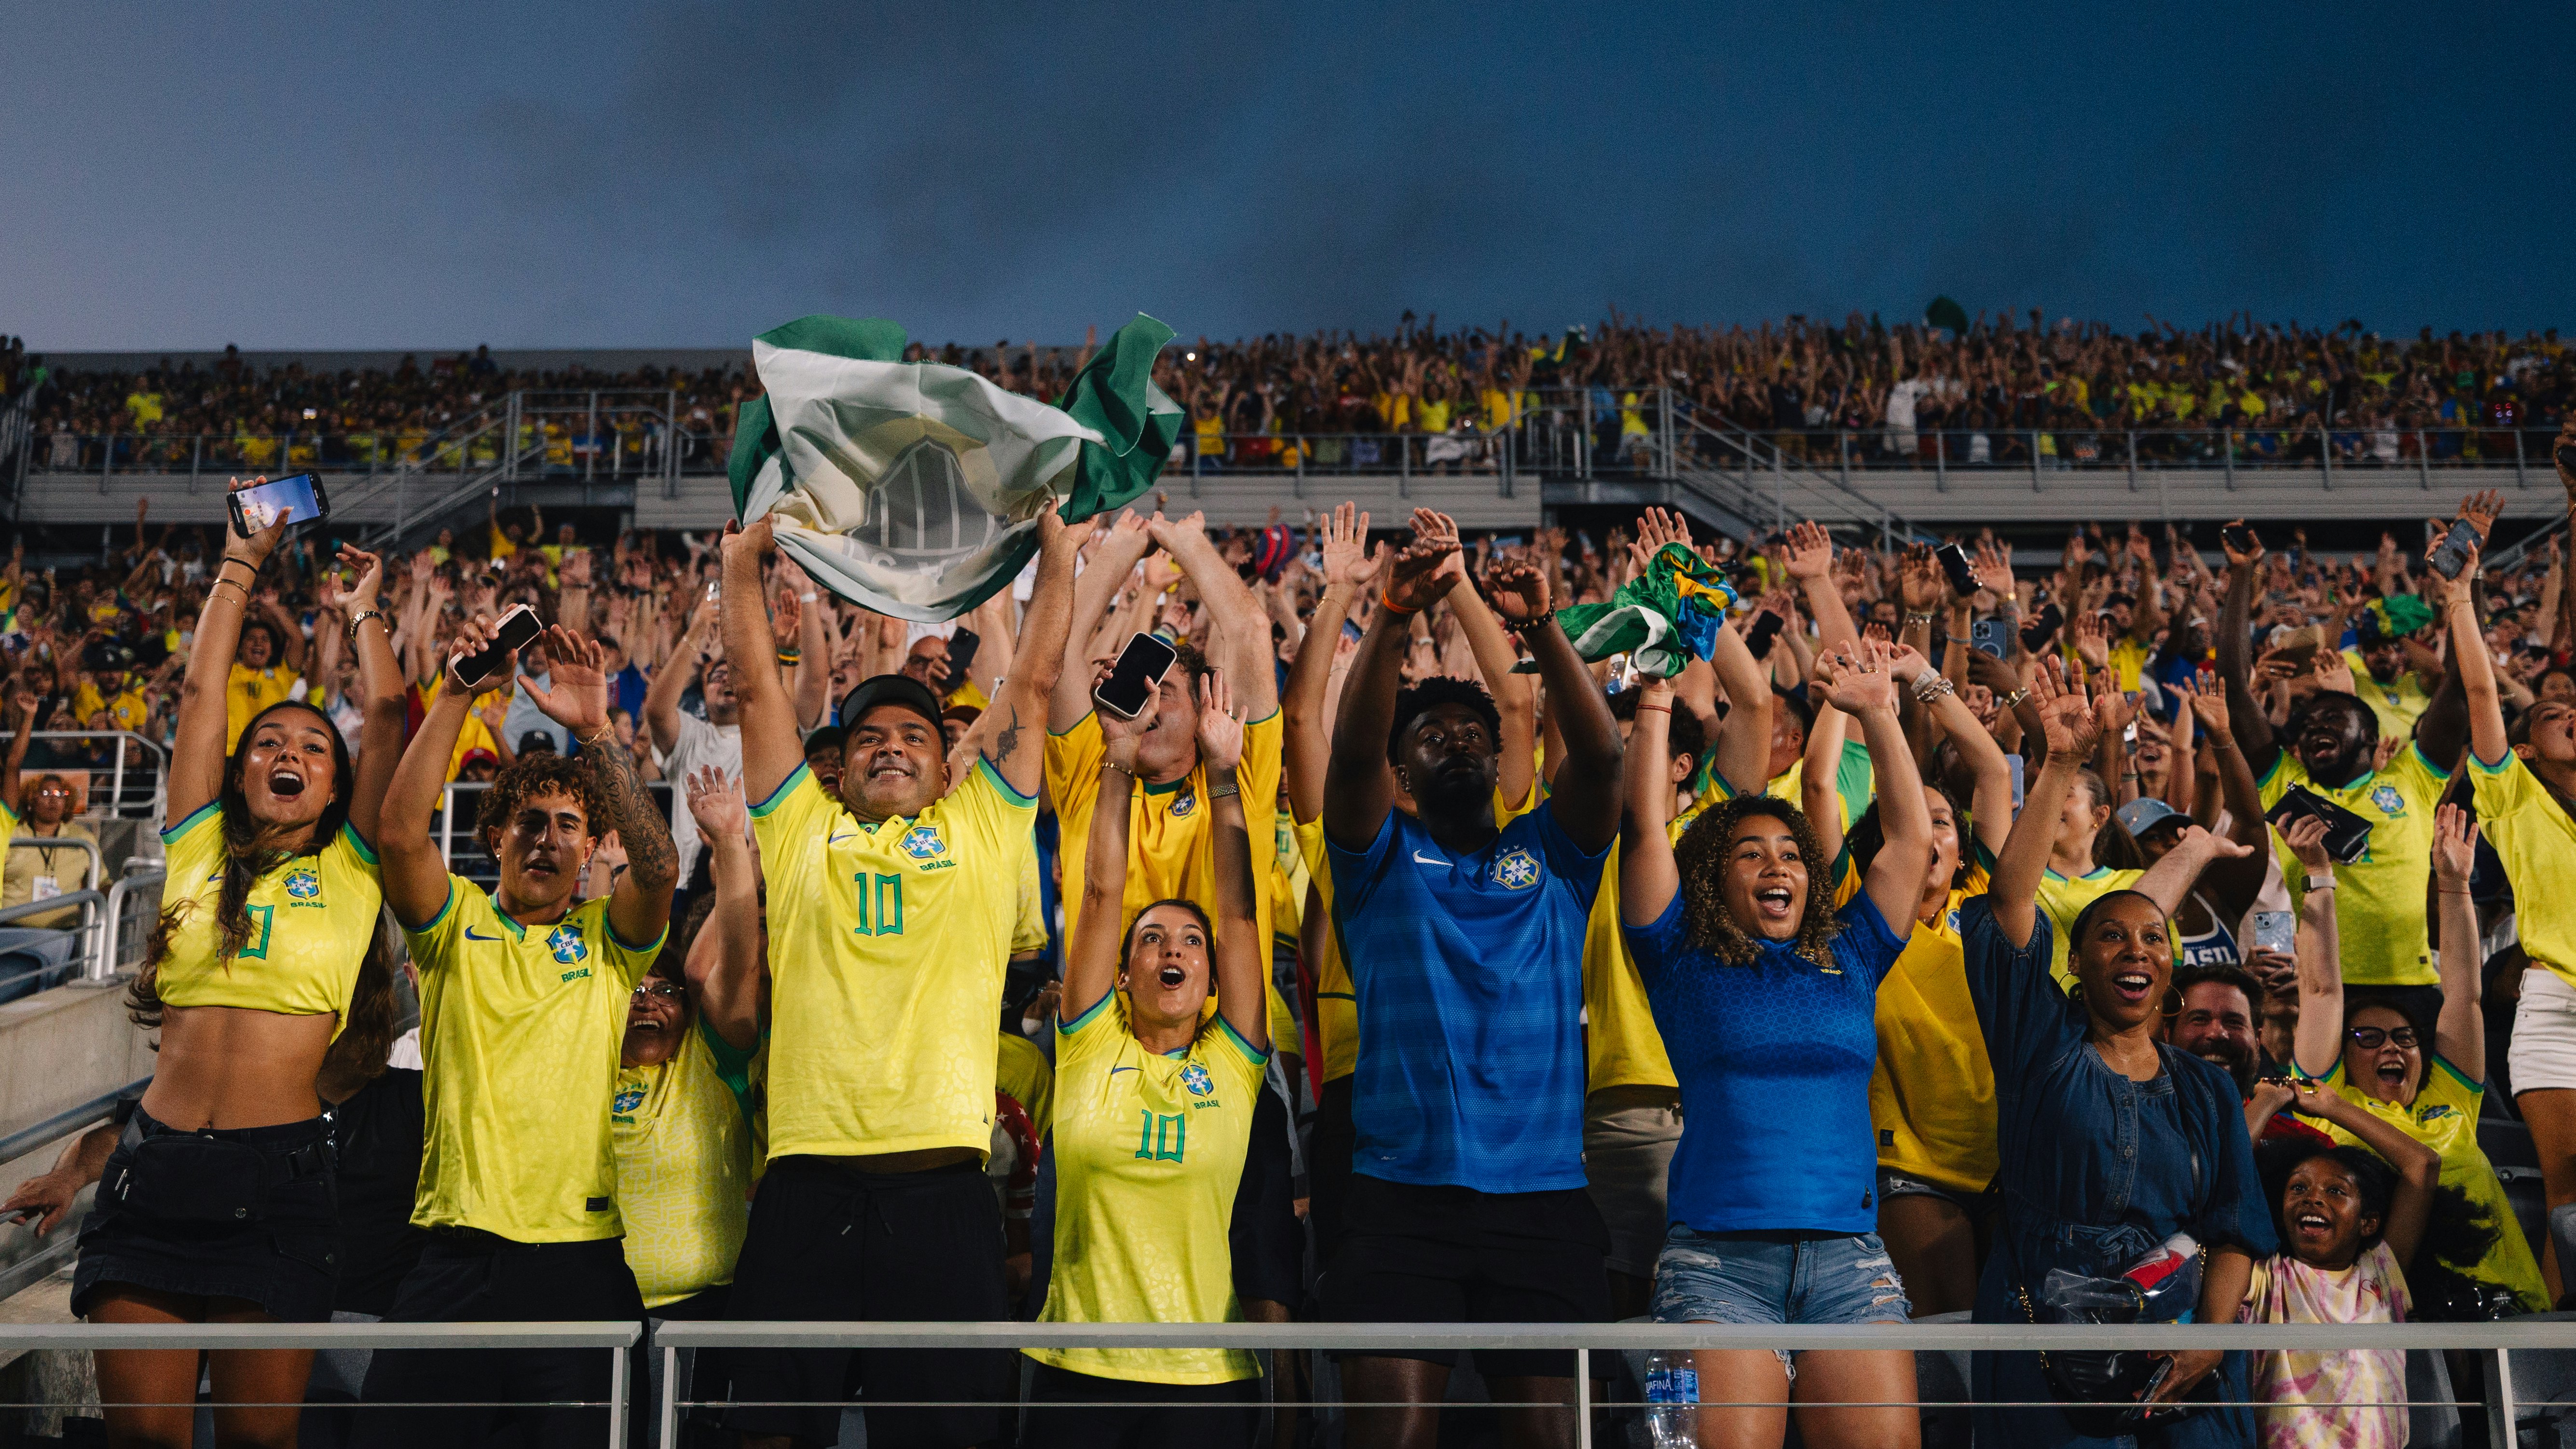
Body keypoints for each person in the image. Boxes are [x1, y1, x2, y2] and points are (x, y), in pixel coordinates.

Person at [718, 509, 1073, 1449]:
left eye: (913, 735)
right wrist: (740, 568)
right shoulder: (801, 830)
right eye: (868, 734)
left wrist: (1055, 557)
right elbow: (759, 691)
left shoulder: (984, 830)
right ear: (840, 764)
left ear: (943, 761)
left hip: (943, 1198)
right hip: (803, 1192)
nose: (888, 745)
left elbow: (1030, 686)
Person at [69, 481, 403, 1449]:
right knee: (146, 1440)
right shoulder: (199, 847)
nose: (287, 750)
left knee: (261, 1442)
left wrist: (367, 609)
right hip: (154, 1169)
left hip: (283, 1178)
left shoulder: (353, 865)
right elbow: (202, 691)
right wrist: (241, 562)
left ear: (337, 785)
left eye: (311, 746)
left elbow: (387, 710)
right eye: (270, 742)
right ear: (242, 769)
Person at [1319, 510, 1621, 1449]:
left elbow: (1605, 755)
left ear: (1501, 762)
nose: (1454, 741)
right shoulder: (1376, 854)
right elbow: (1351, 750)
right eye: (1431, 735)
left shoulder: (1554, 857)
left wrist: (1542, 630)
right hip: (1400, 1193)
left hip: (1542, 1194)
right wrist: (1396, 612)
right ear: (1403, 770)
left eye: (1472, 732)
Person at [359, 621, 680, 1446]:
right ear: (495, 834)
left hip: (579, 1259)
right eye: (529, 820)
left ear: (588, 846)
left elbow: (660, 869)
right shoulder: (452, 922)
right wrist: (461, 690)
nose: (547, 835)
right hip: (454, 1255)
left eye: (570, 824)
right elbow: (397, 833)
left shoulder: (614, 939)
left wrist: (599, 732)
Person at [1618, 635, 1931, 1447]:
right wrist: (1654, 700)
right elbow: (1648, 831)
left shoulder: (1852, 954)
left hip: (1851, 1264)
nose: (1776, 862)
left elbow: (1907, 843)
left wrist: (1875, 710)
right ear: (1713, 879)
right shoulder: (1677, 957)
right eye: (1750, 852)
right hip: (1716, 1271)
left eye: (1790, 851)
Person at [1969, 663, 2277, 1449]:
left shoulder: (2204, 1085)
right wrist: (2064, 762)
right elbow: (2010, 901)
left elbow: (2236, 1226)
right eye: (2110, 934)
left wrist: (2213, 1336)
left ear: (2170, 968)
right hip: (2047, 1337)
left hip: (2185, 1342)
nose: (2135, 948)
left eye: (2152, 938)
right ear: (2074, 960)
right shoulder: (2040, 1045)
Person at [1023, 664, 1270, 1449]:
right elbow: (1101, 892)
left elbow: (1237, 913)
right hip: (1079, 1369)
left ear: (1210, 976)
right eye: (1152, 938)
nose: (1173, 949)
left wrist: (1227, 776)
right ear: (1122, 971)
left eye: (1190, 942)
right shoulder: (1089, 1043)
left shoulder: (1235, 1060)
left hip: (1210, 1380)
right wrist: (1118, 758)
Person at [1800, 635, 2017, 1320]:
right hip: (1911, 1168)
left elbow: (1993, 772)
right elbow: (1816, 783)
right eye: (1916, 821)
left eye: (1944, 822)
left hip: (2005, 1162)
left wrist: (1922, 674)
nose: (1931, 832)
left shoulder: (1986, 902)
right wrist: (1848, 697)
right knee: (1948, 1341)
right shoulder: (1854, 909)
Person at [2284, 806, 2547, 1315]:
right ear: (2344, 1055)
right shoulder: (2330, 1102)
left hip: (2503, 1307)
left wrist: (2453, 884)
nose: (2391, 1048)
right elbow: (2320, 990)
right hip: (2391, 1308)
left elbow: (2464, 995)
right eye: (2369, 1037)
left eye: (2405, 1038)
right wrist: (2319, 875)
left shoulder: (2449, 1100)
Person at [2218, 510, 2482, 989]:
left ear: (2368, 729)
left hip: (2415, 990)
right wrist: (2242, 575)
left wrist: (2468, 587)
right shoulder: (2284, 785)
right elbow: (2235, 691)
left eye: (2333, 717)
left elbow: (2464, 688)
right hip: (2320, 996)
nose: (2316, 725)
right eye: (2309, 722)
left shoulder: (2412, 779)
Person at [2452, 497, 2576, 1299]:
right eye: (2552, 711)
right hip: (2556, 1008)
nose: (2568, 709)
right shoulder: (2514, 800)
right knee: (2569, 1195)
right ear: (2525, 748)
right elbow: (2480, 692)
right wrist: (2461, 594)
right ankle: (2556, 1353)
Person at [612, 771, 761, 1320]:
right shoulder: (587, 1060)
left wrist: (731, 846)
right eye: (636, 990)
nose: (649, 1001)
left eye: (666, 990)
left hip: (705, 1312)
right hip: (594, 1313)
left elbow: (737, 957)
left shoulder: (711, 1057)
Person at [2239, 1079, 2441, 1449]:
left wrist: (2333, 1106)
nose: (2313, 1199)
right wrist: (2267, 1101)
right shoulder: (2266, 1276)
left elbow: (2423, 1166)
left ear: (2368, 1222)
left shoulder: (2380, 1271)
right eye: (2298, 1188)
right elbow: (2230, 1173)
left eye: (2336, 1191)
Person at [0, 685, 96, 929]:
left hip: (48, 932)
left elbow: (13, 766)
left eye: (59, 794)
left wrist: (30, 717)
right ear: (33, 800)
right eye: (46, 793)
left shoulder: (3, 817)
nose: (53, 799)